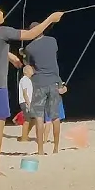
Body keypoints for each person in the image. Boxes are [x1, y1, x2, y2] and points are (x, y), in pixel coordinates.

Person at [0, 4, 63, 175]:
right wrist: (50, 19)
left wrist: (10, 57)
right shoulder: (2, 31)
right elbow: (31, 34)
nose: (2, 13)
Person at [24, 16, 69, 155]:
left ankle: (40, 150)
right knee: (55, 117)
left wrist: (23, 55)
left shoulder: (29, 48)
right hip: (54, 82)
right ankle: (56, 148)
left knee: (39, 117)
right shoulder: (52, 41)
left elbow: (30, 65)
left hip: (39, 83)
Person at [17, 65, 35, 142]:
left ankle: (25, 135)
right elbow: (25, 93)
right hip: (25, 102)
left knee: (33, 120)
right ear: (26, 71)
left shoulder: (28, 80)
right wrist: (28, 104)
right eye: (30, 69)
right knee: (27, 120)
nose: (32, 70)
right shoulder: (24, 79)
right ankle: (24, 138)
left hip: (28, 102)